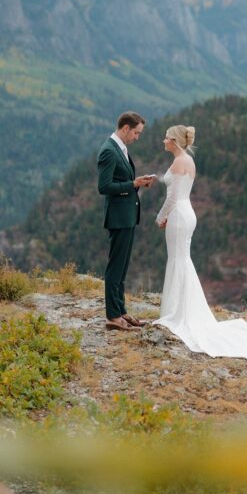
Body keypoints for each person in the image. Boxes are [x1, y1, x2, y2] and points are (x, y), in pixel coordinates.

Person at [155, 124, 247, 362]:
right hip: (188, 213)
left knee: (178, 260)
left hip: (178, 214)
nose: (163, 140)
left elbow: (173, 196)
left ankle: (176, 313)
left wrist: (160, 217)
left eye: (166, 138)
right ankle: (180, 309)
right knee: (182, 260)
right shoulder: (189, 161)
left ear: (175, 141)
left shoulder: (178, 163)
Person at [97, 111, 155, 331]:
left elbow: (122, 181)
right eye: (136, 133)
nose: (137, 137)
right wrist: (133, 184)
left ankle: (121, 311)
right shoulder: (109, 151)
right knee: (115, 268)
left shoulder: (120, 149)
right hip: (118, 217)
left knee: (122, 267)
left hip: (128, 216)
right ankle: (112, 317)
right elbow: (104, 187)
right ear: (125, 128)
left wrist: (137, 183)